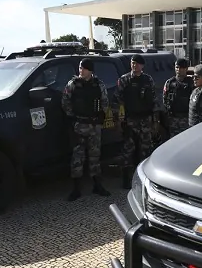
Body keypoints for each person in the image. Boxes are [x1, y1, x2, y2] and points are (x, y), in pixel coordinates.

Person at [61, 58, 111, 201]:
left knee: (95, 156)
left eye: (83, 68)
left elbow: (105, 102)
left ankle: (97, 185)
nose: (80, 70)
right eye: (80, 68)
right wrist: (73, 118)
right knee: (77, 157)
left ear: (90, 70)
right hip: (79, 125)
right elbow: (65, 102)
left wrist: (100, 117)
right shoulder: (72, 84)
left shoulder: (99, 85)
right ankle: (76, 189)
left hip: (94, 126)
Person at [113, 54, 160, 188]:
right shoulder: (124, 80)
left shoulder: (148, 80)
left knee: (145, 149)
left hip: (145, 120)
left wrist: (155, 121)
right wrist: (118, 120)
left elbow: (154, 100)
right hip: (130, 120)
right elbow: (117, 100)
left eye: (137, 64)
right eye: (133, 63)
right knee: (128, 150)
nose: (135, 65)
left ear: (142, 66)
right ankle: (126, 179)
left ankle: (143, 179)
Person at [163, 58, 194, 138]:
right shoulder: (169, 82)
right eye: (177, 67)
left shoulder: (191, 83)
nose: (178, 70)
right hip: (173, 119)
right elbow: (165, 99)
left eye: (181, 68)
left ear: (186, 69)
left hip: (186, 118)